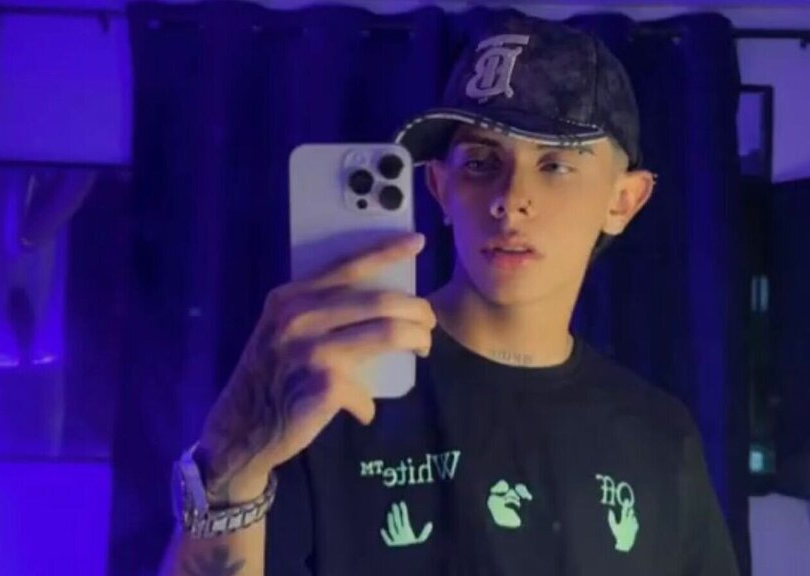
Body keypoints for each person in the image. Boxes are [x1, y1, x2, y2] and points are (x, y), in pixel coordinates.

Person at [160, 9, 740, 576]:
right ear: (440, 187)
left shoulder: (659, 435)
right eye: (482, 162)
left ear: (623, 201)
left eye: (555, 165)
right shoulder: (327, 387)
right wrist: (230, 469)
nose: (510, 200)